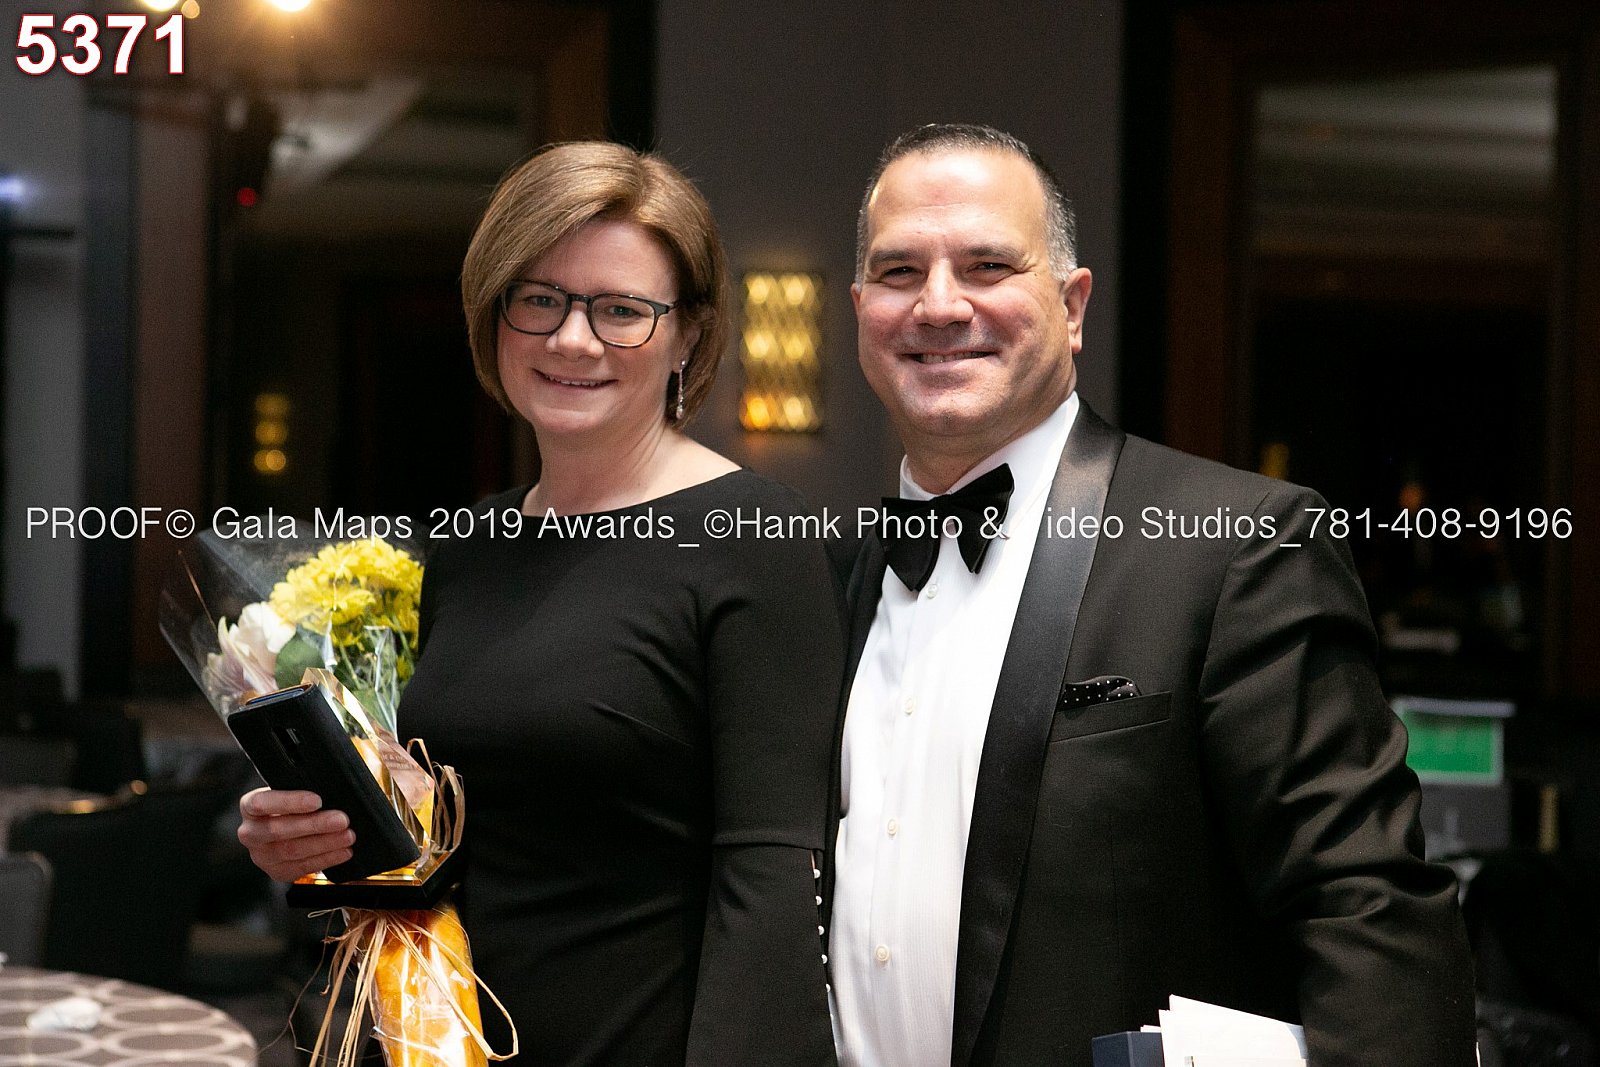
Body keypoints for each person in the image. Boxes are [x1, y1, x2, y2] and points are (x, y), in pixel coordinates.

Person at [824, 124, 1477, 1067]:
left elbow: (1369, 912)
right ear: (859, 311)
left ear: (1072, 305)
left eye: (988, 265)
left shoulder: (1238, 547)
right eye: (898, 272)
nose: (938, 304)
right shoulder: (831, 578)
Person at [238, 142, 840, 1066]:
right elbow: (467, 844)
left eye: (621, 310)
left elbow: (770, 889)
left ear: (688, 334)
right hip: (440, 1044)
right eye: (540, 299)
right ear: (495, 314)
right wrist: (323, 837)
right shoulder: (471, 545)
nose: (572, 339)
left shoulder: (757, 539)